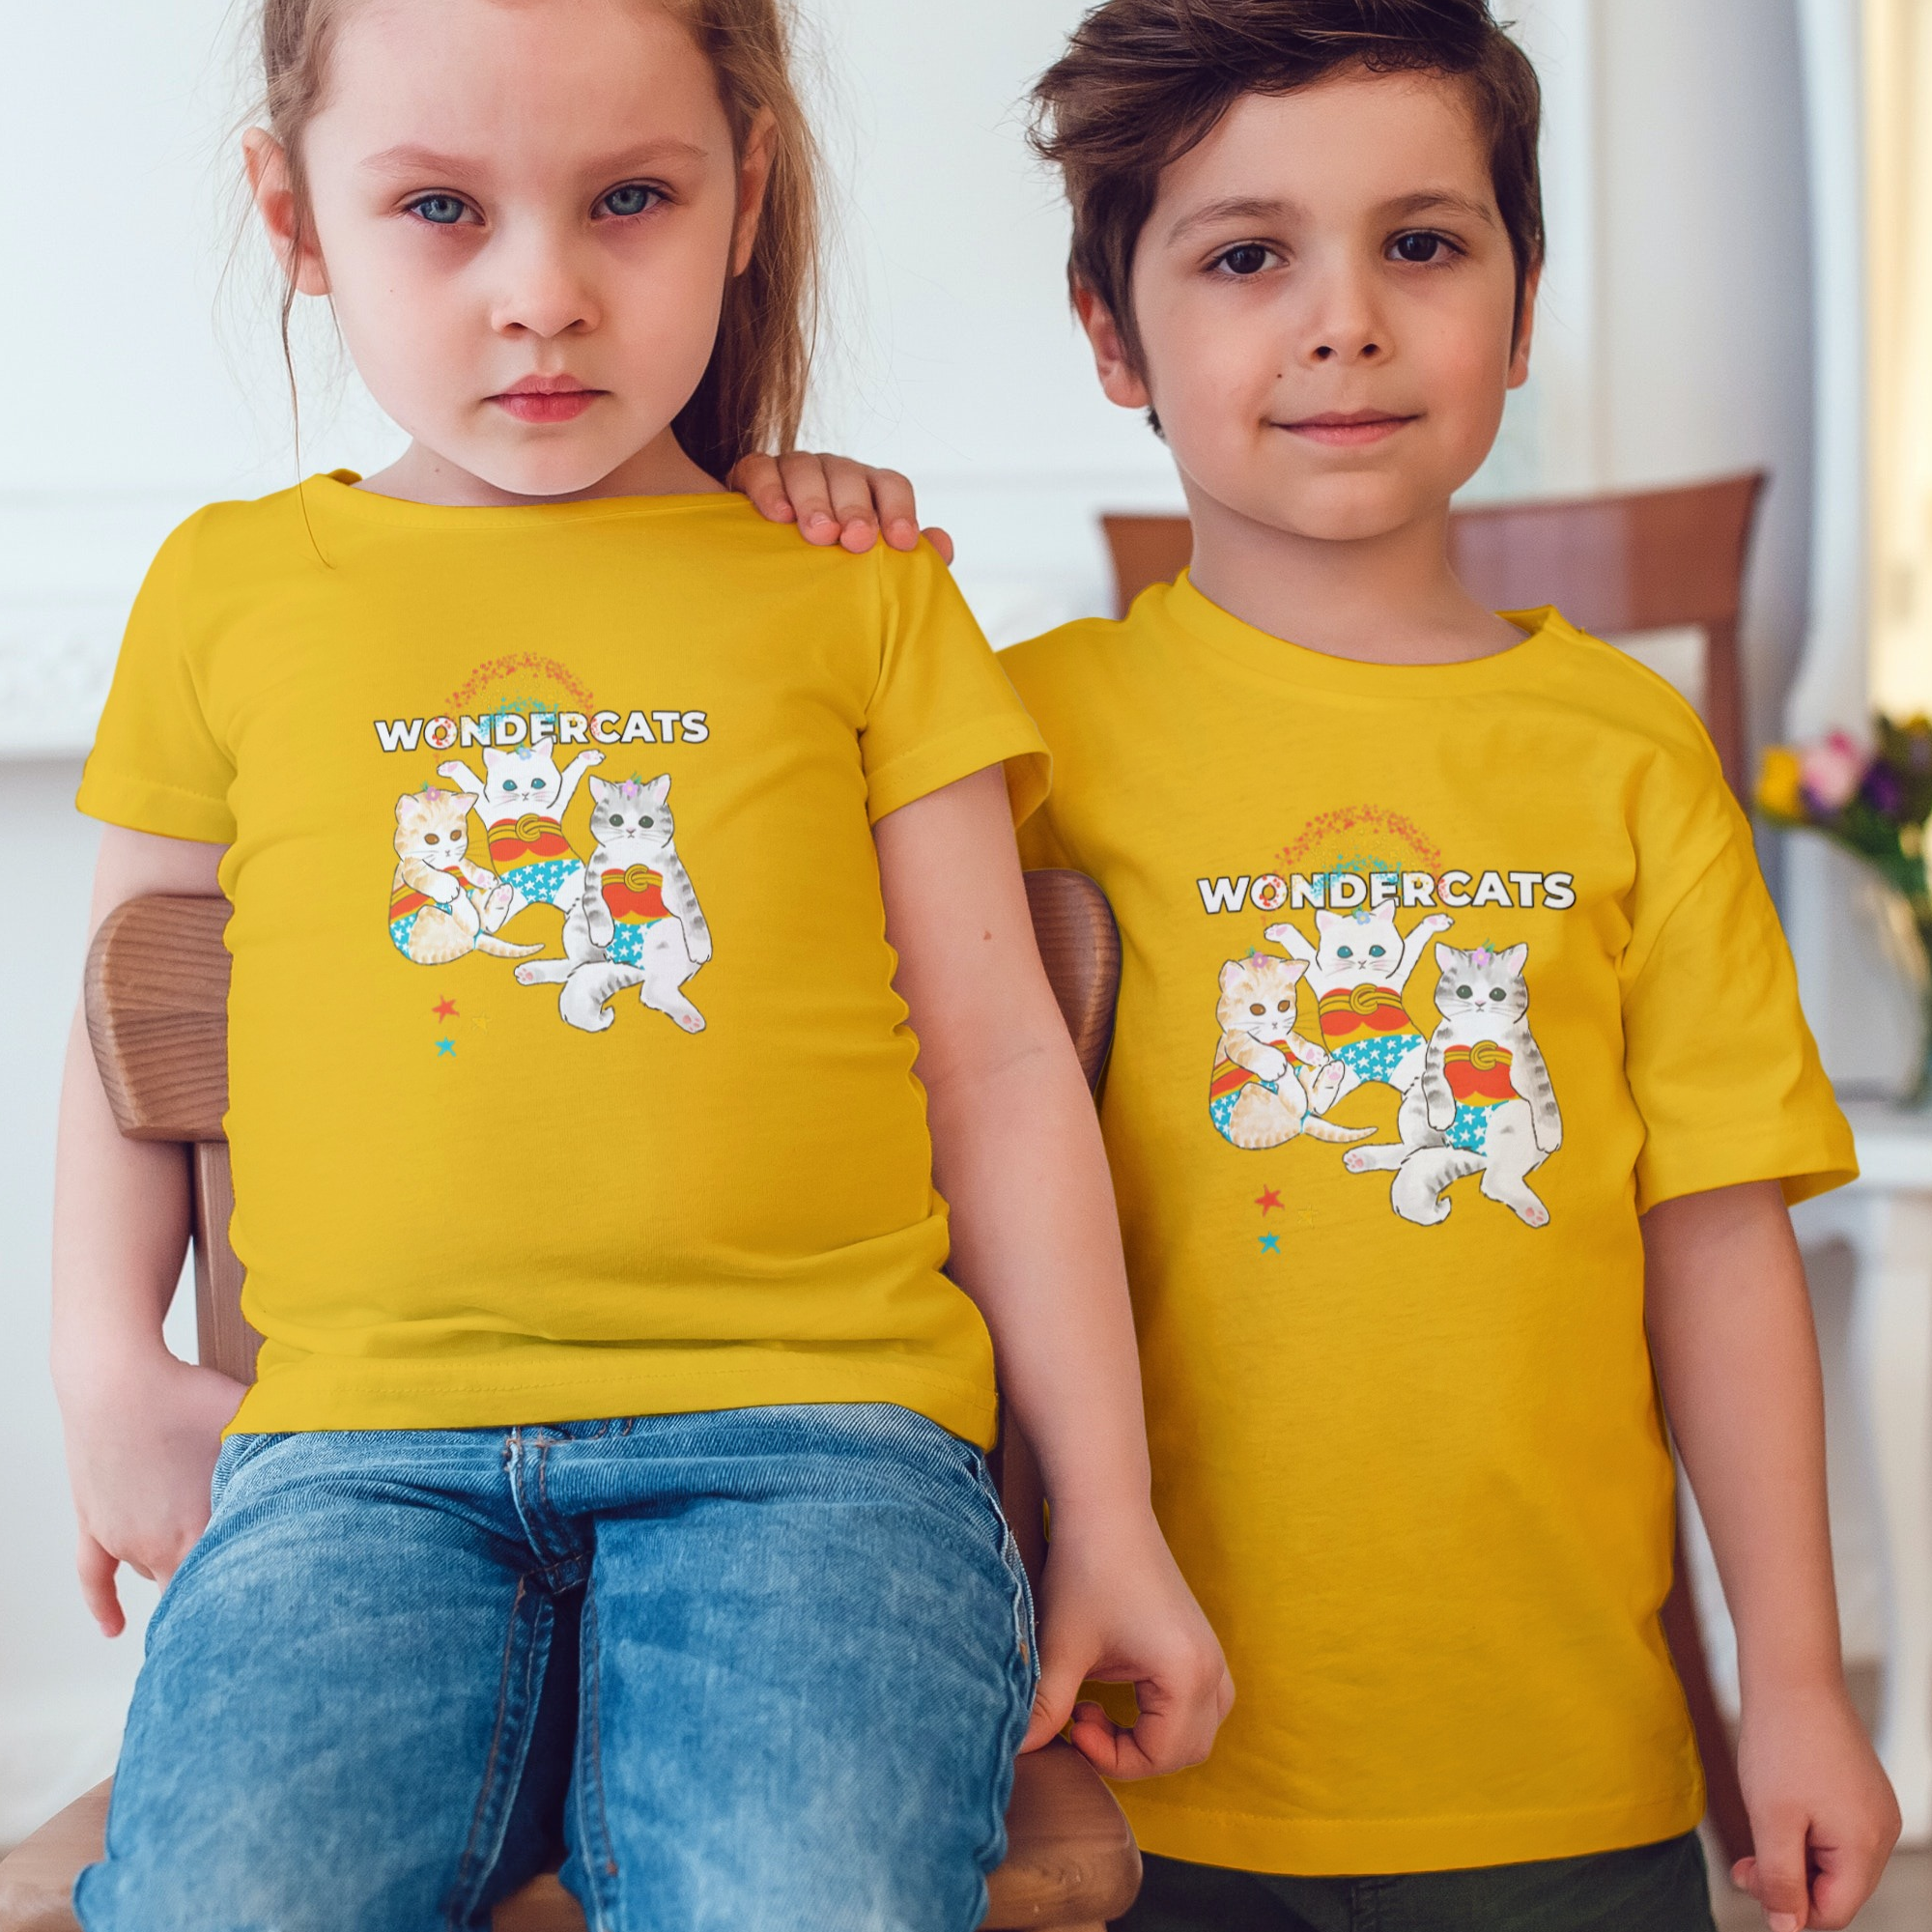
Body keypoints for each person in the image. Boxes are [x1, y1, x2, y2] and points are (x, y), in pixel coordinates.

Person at [50, 3, 1230, 1927]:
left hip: (822, 1455)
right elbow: (141, 1017)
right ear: (293, 216)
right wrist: (107, 1363)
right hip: (352, 1461)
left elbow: (1005, 1070)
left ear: (744, 196)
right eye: (441, 207)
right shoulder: (226, 594)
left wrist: (1107, 1511)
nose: (545, 295)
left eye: (628, 201)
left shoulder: (859, 589)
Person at [748, 2, 1905, 1929]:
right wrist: (780, 532)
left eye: (1422, 244)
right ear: (1112, 333)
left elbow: (1715, 1240)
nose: (1345, 322)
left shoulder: (1627, 756)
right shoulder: (1004, 737)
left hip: (1560, 1771)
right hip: (1120, 1759)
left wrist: (1794, 1683)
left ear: (1521, 307)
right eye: (1246, 257)